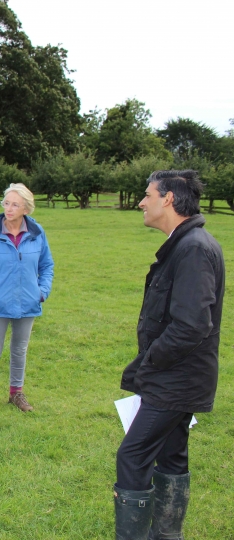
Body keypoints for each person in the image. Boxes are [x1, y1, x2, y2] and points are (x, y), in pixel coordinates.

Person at [114, 170, 224, 540]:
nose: (141, 203)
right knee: (172, 453)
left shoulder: (193, 248)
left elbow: (192, 325)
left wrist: (151, 362)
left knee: (133, 455)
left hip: (176, 379)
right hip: (179, 376)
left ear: (169, 199)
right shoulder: (186, 244)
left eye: (147, 195)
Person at [0, 183, 54, 415]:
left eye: (15, 204)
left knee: (20, 349)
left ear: (26, 208)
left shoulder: (37, 233)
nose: (9, 208)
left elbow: (47, 265)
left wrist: (42, 291)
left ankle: (16, 393)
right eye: (6, 203)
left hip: (28, 302)